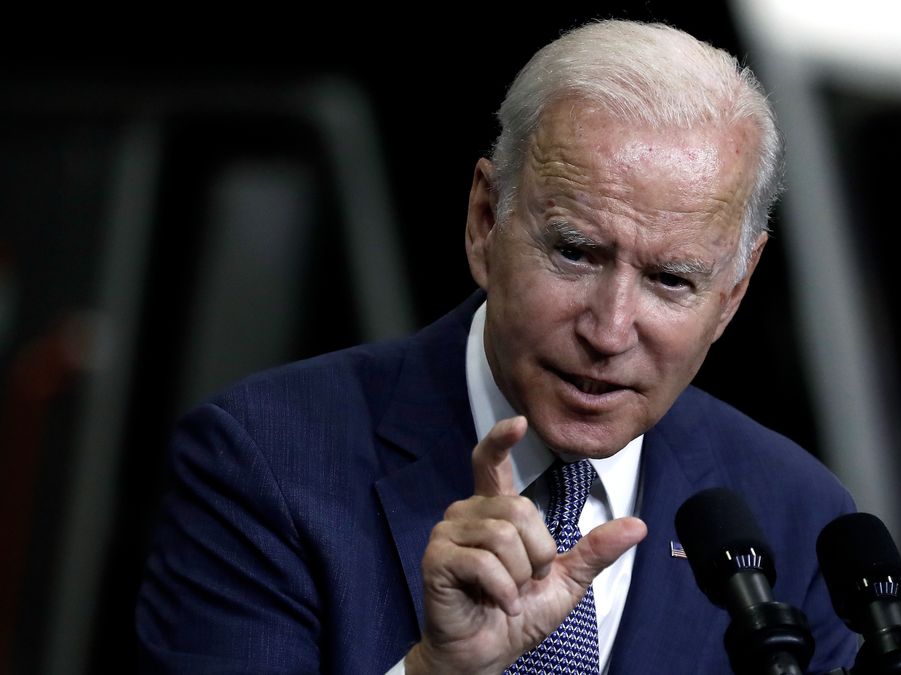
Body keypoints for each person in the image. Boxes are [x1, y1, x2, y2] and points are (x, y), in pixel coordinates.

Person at [135, 20, 859, 674]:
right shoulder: (265, 461)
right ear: (486, 221)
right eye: (575, 252)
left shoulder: (797, 517)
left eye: (671, 280)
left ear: (732, 292)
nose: (609, 331)